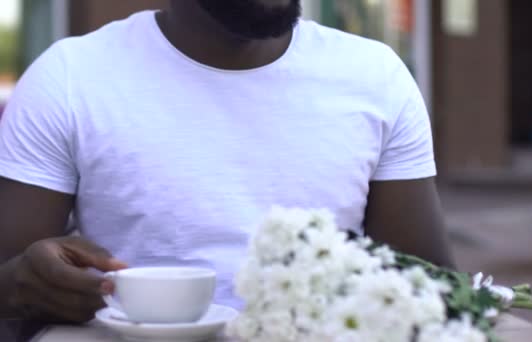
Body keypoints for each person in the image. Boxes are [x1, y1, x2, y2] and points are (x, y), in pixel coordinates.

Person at [0, 0, 454, 324]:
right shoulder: (71, 77)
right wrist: (25, 281)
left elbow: (431, 293)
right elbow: (9, 281)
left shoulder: (377, 78)